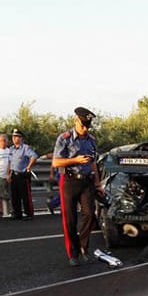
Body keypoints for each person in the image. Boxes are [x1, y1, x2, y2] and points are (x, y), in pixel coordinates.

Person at [52, 107, 104, 266]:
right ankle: (73, 253)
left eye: (87, 126)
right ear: (76, 121)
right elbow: (56, 162)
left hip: (87, 181)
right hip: (69, 181)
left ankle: (83, 246)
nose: (85, 129)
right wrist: (75, 160)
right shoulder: (64, 138)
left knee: (90, 215)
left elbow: (93, 163)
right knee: (70, 220)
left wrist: (97, 184)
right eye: (82, 125)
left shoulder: (91, 140)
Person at [9, 129, 38, 220]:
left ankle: (28, 213)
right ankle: (17, 213)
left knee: (25, 195)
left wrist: (28, 167)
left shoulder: (25, 148)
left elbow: (34, 156)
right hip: (14, 174)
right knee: (14, 196)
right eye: (13, 137)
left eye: (17, 136)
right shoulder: (11, 149)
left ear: (21, 138)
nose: (15, 138)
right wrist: (8, 174)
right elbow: (9, 162)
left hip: (23, 174)